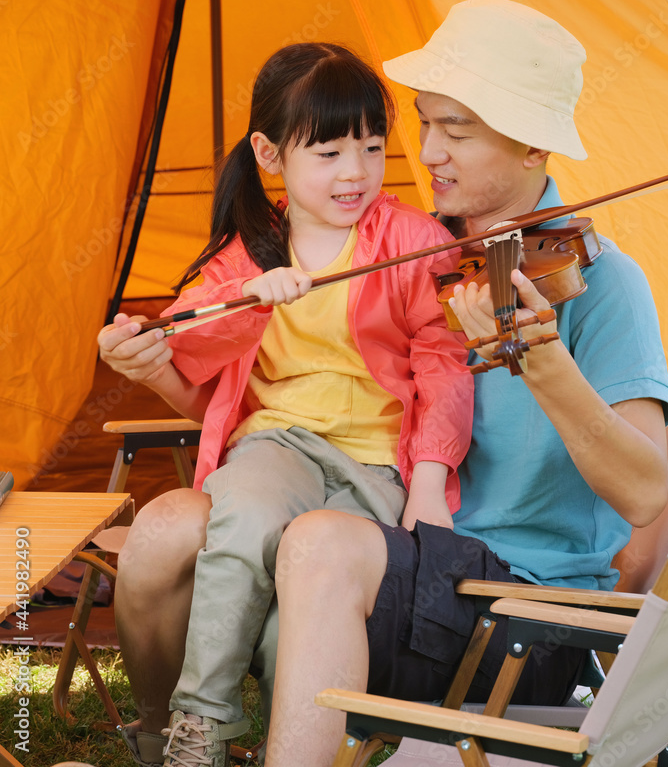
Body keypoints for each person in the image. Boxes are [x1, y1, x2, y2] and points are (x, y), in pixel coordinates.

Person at [260, 0, 668, 766]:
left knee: (318, 548)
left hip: (521, 612)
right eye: (426, 124)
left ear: (532, 150)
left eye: (460, 131)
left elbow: (647, 491)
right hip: (415, 557)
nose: (430, 153)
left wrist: (544, 362)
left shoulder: (602, 284)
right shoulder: (419, 257)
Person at [97, 42, 473, 766]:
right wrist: (246, 300)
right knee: (246, 515)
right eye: (328, 152)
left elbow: (444, 365)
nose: (356, 172)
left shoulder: (414, 240)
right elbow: (190, 334)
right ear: (270, 155)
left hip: (375, 467)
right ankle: (200, 722)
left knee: (297, 611)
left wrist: (428, 480)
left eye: (370, 147)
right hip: (279, 445)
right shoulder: (251, 249)